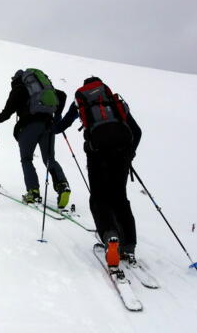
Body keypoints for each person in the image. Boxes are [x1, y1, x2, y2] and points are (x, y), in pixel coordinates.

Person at [54, 76, 141, 268]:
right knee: (120, 198)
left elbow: (60, 127)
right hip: (122, 153)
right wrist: (130, 154)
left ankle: (110, 237)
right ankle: (129, 246)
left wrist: (53, 120)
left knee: (98, 198)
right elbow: (137, 131)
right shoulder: (114, 102)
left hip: (97, 154)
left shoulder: (81, 103)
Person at [0, 69, 70, 206]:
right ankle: (62, 185)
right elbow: (62, 95)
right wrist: (57, 116)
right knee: (49, 159)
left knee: (27, 159)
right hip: (48, 125)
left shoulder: (19, 89)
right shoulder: (42, 88)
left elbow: (7, 112)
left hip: (28, 127)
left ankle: (33, 192)